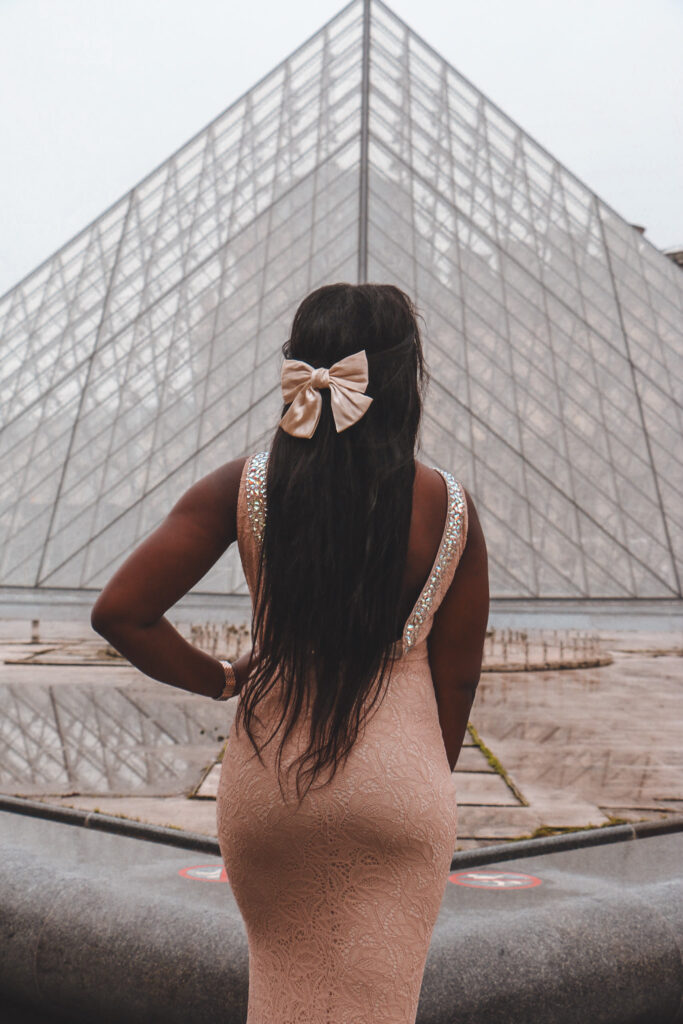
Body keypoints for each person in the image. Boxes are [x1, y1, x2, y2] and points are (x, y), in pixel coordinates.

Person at [91, 281, 489, 1024]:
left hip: (273, 777)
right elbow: (458, 676)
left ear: (298, 367)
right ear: (404, 377)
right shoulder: (449, 506)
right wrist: (415, 773)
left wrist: (218, 680)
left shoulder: (242, 486)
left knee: (281, 995)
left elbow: (122, 613)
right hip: (399, 785)